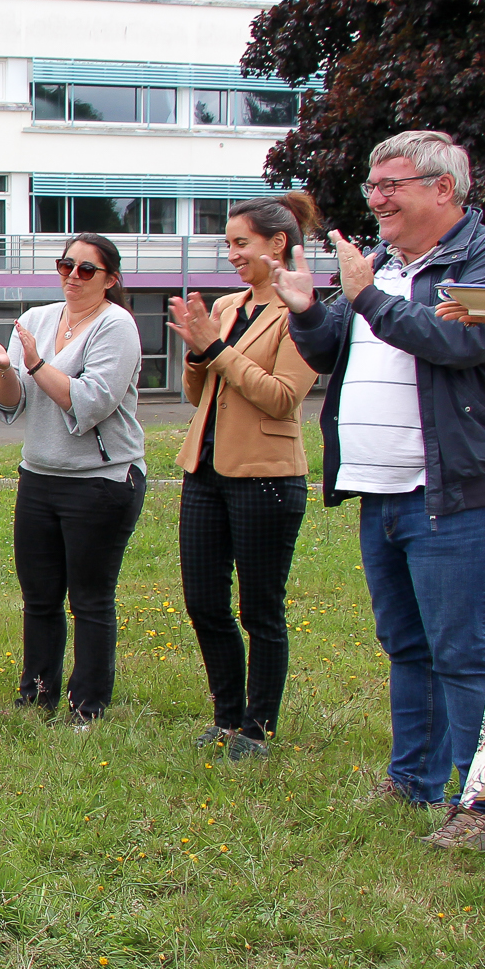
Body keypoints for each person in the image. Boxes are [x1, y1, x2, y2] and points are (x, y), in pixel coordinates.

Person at [271, 130, 485, 835]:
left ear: (443, 188)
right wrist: (310, 308)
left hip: (453, 494)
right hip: (382, 492)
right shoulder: (377, 261)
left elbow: (463, 341)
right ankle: (414, 782)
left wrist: (366, 297)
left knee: (462, 653)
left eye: (390, 184)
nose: (376, 199)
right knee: (406, 644)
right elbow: (328, 345)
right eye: (372, 186)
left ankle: (481, 803)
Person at [167, 195, 322, 759]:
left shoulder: (302, 313)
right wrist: (195, 355)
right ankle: (227, 715)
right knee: (204, 602)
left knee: (260, 609)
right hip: (204, 472)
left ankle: (258, 727)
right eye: (228, 244)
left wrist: (216, 349)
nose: (231, 254)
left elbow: (281, 399)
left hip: (265, 477)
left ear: (277, 243)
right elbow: (197, 396)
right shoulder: (229, 307)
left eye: (242, 243)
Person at [0, 234, 148, 725]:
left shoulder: (117, 326)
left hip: (100, 481)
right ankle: (36, 694)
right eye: (66, 265)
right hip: (39, 476)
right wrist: (5, 369)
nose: (73, 276)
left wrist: (35, 362)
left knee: (90, 600)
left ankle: (87, 705)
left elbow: (92, 401)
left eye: (87, 270)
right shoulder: (36, 320)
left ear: (110, 279)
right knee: (39, 597)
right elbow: (11, 404)